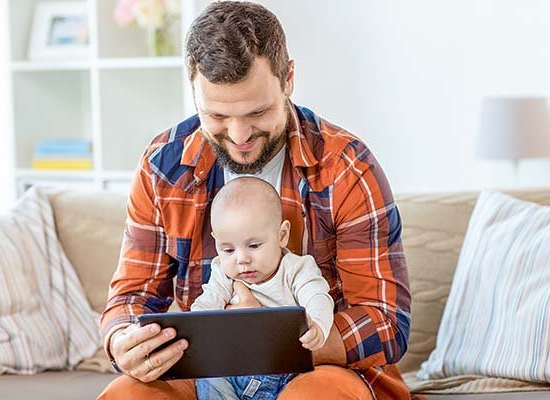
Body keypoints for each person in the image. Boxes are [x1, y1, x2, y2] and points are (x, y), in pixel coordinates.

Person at [98, 2, 412, 399]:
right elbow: (131, 297)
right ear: (193, 89)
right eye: (216, 116)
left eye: (257, 112)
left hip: (319, 370)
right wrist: (122, 342)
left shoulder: (347, 168)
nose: (239, 135)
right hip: (210, 376)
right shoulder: (164, 166)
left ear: (289, 80)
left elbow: (386, 322)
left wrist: (275, 338)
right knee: (127, 394)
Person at [191, 176, 335, 400]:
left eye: (254, 245)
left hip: (283, 375)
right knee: (208, 374)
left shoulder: (296, 269)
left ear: (282, 235)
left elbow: (317, 296)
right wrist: (195, 330)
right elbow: (205, 307)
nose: (242, 259)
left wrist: (318, 326)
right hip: (233, 371)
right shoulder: (222, 273)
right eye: (228, 249)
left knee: (313, 387)